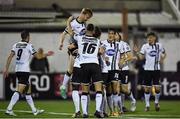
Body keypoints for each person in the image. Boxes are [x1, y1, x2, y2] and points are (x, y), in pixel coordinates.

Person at [3, 30, 53, 116]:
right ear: (27, 37)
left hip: (18, 70)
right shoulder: (29, 46)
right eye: (29, 36)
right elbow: (38, 56)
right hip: (24, 71)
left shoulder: (16, 45)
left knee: (28, 91)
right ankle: (9, 109)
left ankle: (34, 110)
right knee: (19, 91)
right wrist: (47, 54)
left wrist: (6, 69)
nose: (30, 38)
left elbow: (10, 57)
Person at [67, 23, 104, 118]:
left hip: (83, 66)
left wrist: (69, 22)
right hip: (95, 65)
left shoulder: (80, 38)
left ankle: (85, 113)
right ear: (93, 31)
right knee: (99, 89)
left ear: (86, 29)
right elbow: (101, 51)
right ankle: (98, 110)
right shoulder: (97, 40)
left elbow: (71, 33)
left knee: (84, 90)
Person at [59, 8, 93, 99]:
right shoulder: (74, 23)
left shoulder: (84, 24)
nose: (87, 18)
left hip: (80, 48)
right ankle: (64, 87)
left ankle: (81, 89)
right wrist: (61, 43)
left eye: (88, 17)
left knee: (76, 70)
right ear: (83, 14)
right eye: (87, 16)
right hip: (73, 47)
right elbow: (64, 33)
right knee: (71, 69)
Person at [134, 32, 166, 112]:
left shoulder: (159, 45)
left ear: (154, 38)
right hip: (147, 70)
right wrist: (137, 52)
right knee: (147, 89)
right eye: (148, 37)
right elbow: (141, 58)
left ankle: (156, 102)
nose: (149, 39)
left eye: (151, 37)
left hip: (156, 70)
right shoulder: (145, 46)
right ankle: (147, 105)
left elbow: (164, 53)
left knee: (157, 88)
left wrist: (162, 59)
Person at [115, 32, 137, 112]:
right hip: (115, 69)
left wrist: (123, 61)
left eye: (116, 34)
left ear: (119, 36)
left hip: (124, 69)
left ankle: (133, 100)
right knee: (117, 89)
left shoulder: (124, 44)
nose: (114, 36)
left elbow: (130, 56)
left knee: (124, 90)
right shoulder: (110, 45)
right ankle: (121, 107)